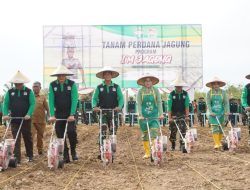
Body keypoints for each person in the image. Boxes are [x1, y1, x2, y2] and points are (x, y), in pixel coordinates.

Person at [2, 71, 35, 163]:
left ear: (22, 83)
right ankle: (17, 158)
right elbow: (5, 104)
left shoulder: (28, 91)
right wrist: (5, 114)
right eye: (16, 83)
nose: (17, 85)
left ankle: (30, 155)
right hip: (14, 119)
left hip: (26, 119)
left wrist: (28, 114)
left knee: (27, 138)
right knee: (16, 139)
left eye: (19, 83)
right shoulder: (10, 92)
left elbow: (32, 104)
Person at [48, 65, 79, 163]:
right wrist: (52, 115)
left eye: (63, 75)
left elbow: (74, 99)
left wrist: (72, 114)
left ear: (66, 75)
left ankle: (73, 151)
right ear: (57, 76)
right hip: (58, 114)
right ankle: (65, 154)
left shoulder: (72, 84)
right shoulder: (52, 85)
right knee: (60, 136)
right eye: (59, 75)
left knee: (71, 132)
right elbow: (51, 100)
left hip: (70, 114)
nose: (61, 77)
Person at [92, 66, 124, 159]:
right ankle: (102, 150)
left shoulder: (116, 87)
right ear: (103, 76)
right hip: (102, 111)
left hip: (114, 111)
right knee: (103, 129)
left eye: (109, 74)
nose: (107, 75)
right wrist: (94, 106)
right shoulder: (99, 87)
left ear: (111, 75)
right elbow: (94, 98)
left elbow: (121, 98)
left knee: (113, 130)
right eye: (105, 74)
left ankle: (111, 150)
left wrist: (119, 106)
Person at [137, 74, 164, 159]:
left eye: (149, 81)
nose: (148, 82)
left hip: (153, 116)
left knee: (154, 133)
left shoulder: (155, 90)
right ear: (144, 83)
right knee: (145, 135)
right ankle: (147, 152)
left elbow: (159, 102)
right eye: (146, 81)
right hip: (143, 117)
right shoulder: (140, 91)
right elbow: (139, 104)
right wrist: (140, 115)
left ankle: (154, 150)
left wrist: (161, 114)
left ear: (152, 82)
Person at [206, 77, 229, 150]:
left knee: (221, 128)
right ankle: (216, 143)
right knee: (215, 127)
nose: (216, 85)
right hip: (212, 113)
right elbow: (208, 103)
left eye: (217, 84)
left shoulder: (223, 92)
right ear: (212, 85)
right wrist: (211, 111)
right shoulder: (209, 93)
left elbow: (226, 103)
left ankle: (219, 142)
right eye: (214, 84)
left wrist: (227, 111)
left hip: (221, 112)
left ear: (219, 84)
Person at [168, 77, 190, 151]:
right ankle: (173, 145)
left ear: (182, 86)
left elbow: (187, 105)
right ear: (175, 86)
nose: (179, 87)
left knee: (183, 130)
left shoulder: (185, 94)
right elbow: (169, 106)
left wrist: (187, 116)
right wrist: (169, 117)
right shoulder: (171, 94)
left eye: (180, 86)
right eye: (177, 86)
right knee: (172, 131)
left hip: (182, 114)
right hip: (173, 114)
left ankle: (182, 145)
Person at [32, 81, 50, 155]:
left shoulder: (43, 97)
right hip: (31, 120)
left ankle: (40, 150)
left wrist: (49, 117)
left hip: (41, 120)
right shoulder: (30, 96)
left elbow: (47, 108)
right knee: (31, 136)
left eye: (36, 86)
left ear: (40, 88)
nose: (35, 88)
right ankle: (30, 151)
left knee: (40, 136)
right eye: (34, 86)